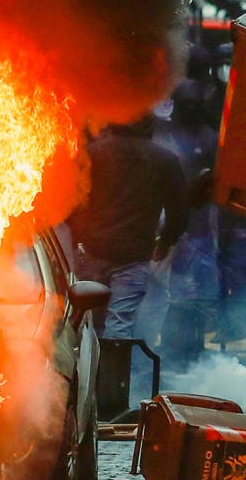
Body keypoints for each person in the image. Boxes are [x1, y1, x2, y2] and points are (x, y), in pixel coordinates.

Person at [67, 116, 188, 341]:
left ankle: (84, 371)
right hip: (133, 257)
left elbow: (72, 201)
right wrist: (165, 242)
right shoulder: (165, 160)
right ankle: (113, 374)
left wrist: (79, 238)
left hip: (92, 250)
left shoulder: (94, 154)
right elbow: (179, 211)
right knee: (120, 322)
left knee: (86, 319)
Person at [153, 80, 220, 371]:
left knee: (196, 294)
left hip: (200, 226)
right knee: (176, 293)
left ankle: (189, 350)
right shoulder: (166, 137)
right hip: (174, 224)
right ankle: (173, 350)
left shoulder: (210, 138)